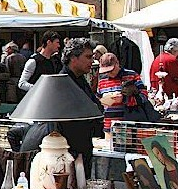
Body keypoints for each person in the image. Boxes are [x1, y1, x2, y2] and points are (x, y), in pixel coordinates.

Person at [58, 38, 104, 178]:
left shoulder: (80, 79)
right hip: (69, 149)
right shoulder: (62, 82)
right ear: (73, 57)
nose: (92, 61)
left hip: (83, 145)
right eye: (88, 57)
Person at [97, 52, 147, 134]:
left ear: (117, 63)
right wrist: (102, 101)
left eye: (111, 70)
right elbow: (99, 99)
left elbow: (144, 96)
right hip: (109, 126)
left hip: (129, 125)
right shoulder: (102, 80)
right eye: (106, 71)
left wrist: (124, 99)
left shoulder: (131, 75)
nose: (109, 73)